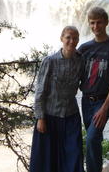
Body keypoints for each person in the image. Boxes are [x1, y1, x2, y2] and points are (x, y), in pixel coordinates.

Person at [29, 26, 84, 172]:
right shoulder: (50, 61)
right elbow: (40, 91)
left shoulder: (80, 61)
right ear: (62, 39)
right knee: (47, 160)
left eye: (75, 38)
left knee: (74, 155)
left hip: (71, 116)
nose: (71, 41)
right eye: (68, 38)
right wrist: (40, 118)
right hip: (50, 116)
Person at [78, 7, 109, 172]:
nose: (95, 26)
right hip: (85, 100)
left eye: (99, 22)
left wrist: (105, 107)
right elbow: (73, 72)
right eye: (92, 23)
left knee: (91, 139)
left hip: (103, 101)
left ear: (106, 22)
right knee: (95, 138)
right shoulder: (84, 48)